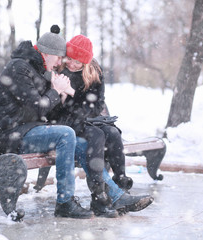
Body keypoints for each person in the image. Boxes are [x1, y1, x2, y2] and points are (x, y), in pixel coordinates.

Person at [0, 25, 93, 220]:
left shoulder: (38, 70)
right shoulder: (19, 68)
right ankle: (65, 202)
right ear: (48, 53)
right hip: (9, 135)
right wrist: (55, 90)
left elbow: (47, 109)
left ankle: (103, 193)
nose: (60, 62)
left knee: (80, 141)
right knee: (66, 134)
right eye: (59, 57)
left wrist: (63, 93)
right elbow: (36, 107)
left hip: (26, 130)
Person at [50, 34, 153, 216]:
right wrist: (72, 99)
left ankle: (120, 188)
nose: (73, 64)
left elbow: (96, 107)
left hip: (87, 119)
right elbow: (57, 109)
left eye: (78, 62)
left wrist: (72, 93)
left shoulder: (93, 72)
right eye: (70, 60)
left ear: (86, 62)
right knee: (96, 136)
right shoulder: (59, 71)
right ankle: (100, 198)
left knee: (112, 133)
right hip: (65, 123)